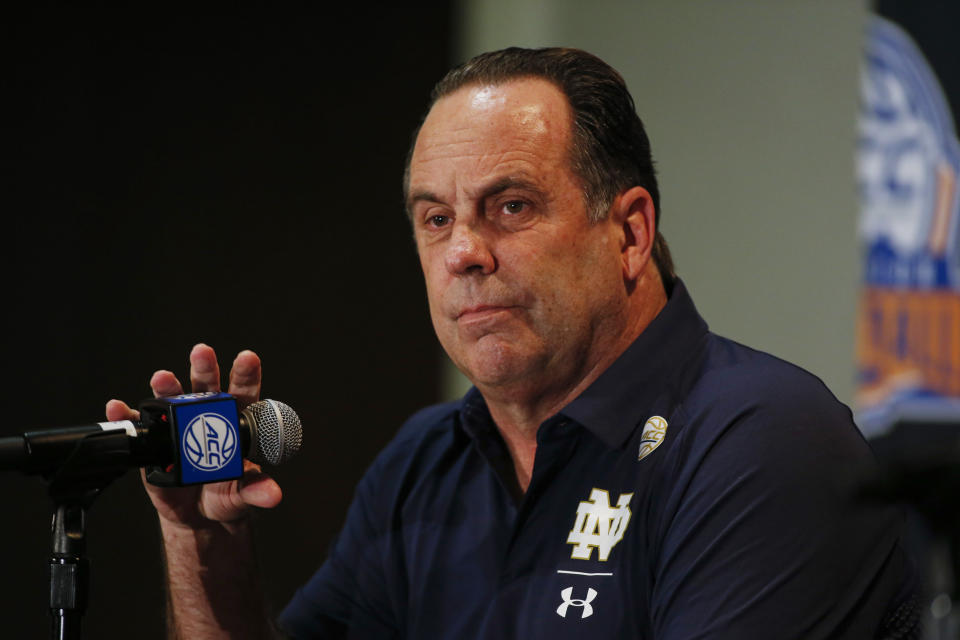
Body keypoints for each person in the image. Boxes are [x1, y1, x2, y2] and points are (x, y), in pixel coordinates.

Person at [106, 47, 917, 639]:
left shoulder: (761, 440)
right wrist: (203, 551)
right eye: (436, 219)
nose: (464, 252)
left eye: (512, 207)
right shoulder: (424, 462)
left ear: (629, 232)